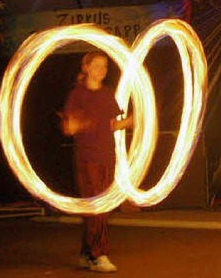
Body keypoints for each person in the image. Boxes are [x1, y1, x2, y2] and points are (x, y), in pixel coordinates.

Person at [60, 50, 133, 273]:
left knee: (100, 208)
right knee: (98, 207)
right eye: (98, 65)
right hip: (87, 158)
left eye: (105, 66)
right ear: (86, 67)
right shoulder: (77, 94)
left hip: (107, 156)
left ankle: (86, 253)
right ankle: (99, 254)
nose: (102, 70)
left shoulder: (107, 94)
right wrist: (75, 125)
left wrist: (130, 122)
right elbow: (68, 128)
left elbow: (111, 125)